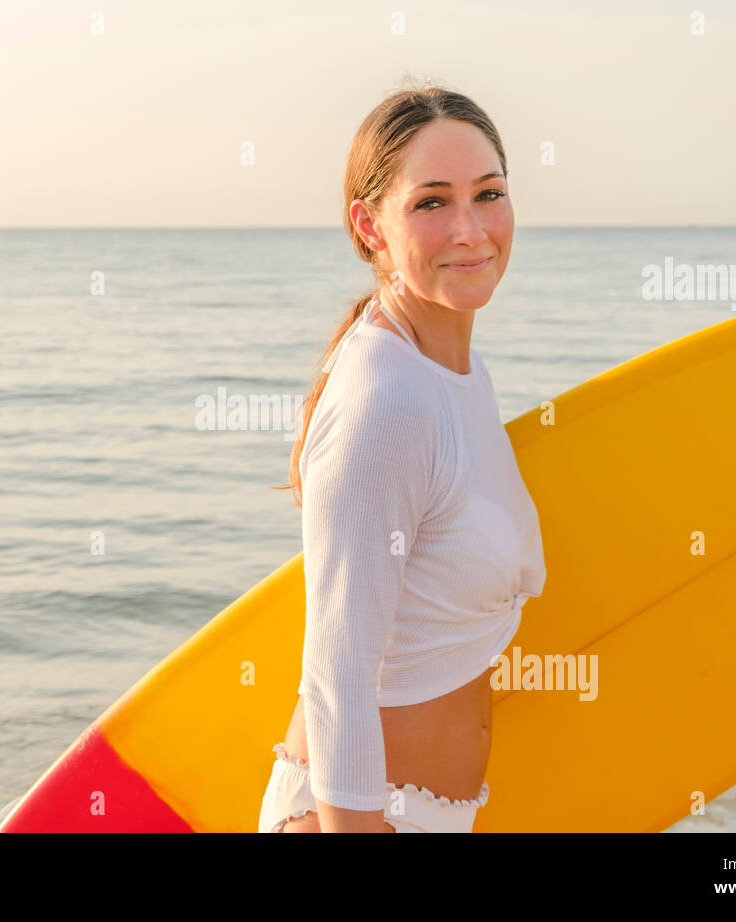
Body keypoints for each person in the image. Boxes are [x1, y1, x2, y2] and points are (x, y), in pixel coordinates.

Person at [260, 84, 547, 833]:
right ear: (370, 225)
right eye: (431, 203)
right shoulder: (387, 402)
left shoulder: (454, 371)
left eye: (489, 194)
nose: (471, 229)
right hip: (352, 819)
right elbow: (337, 670)